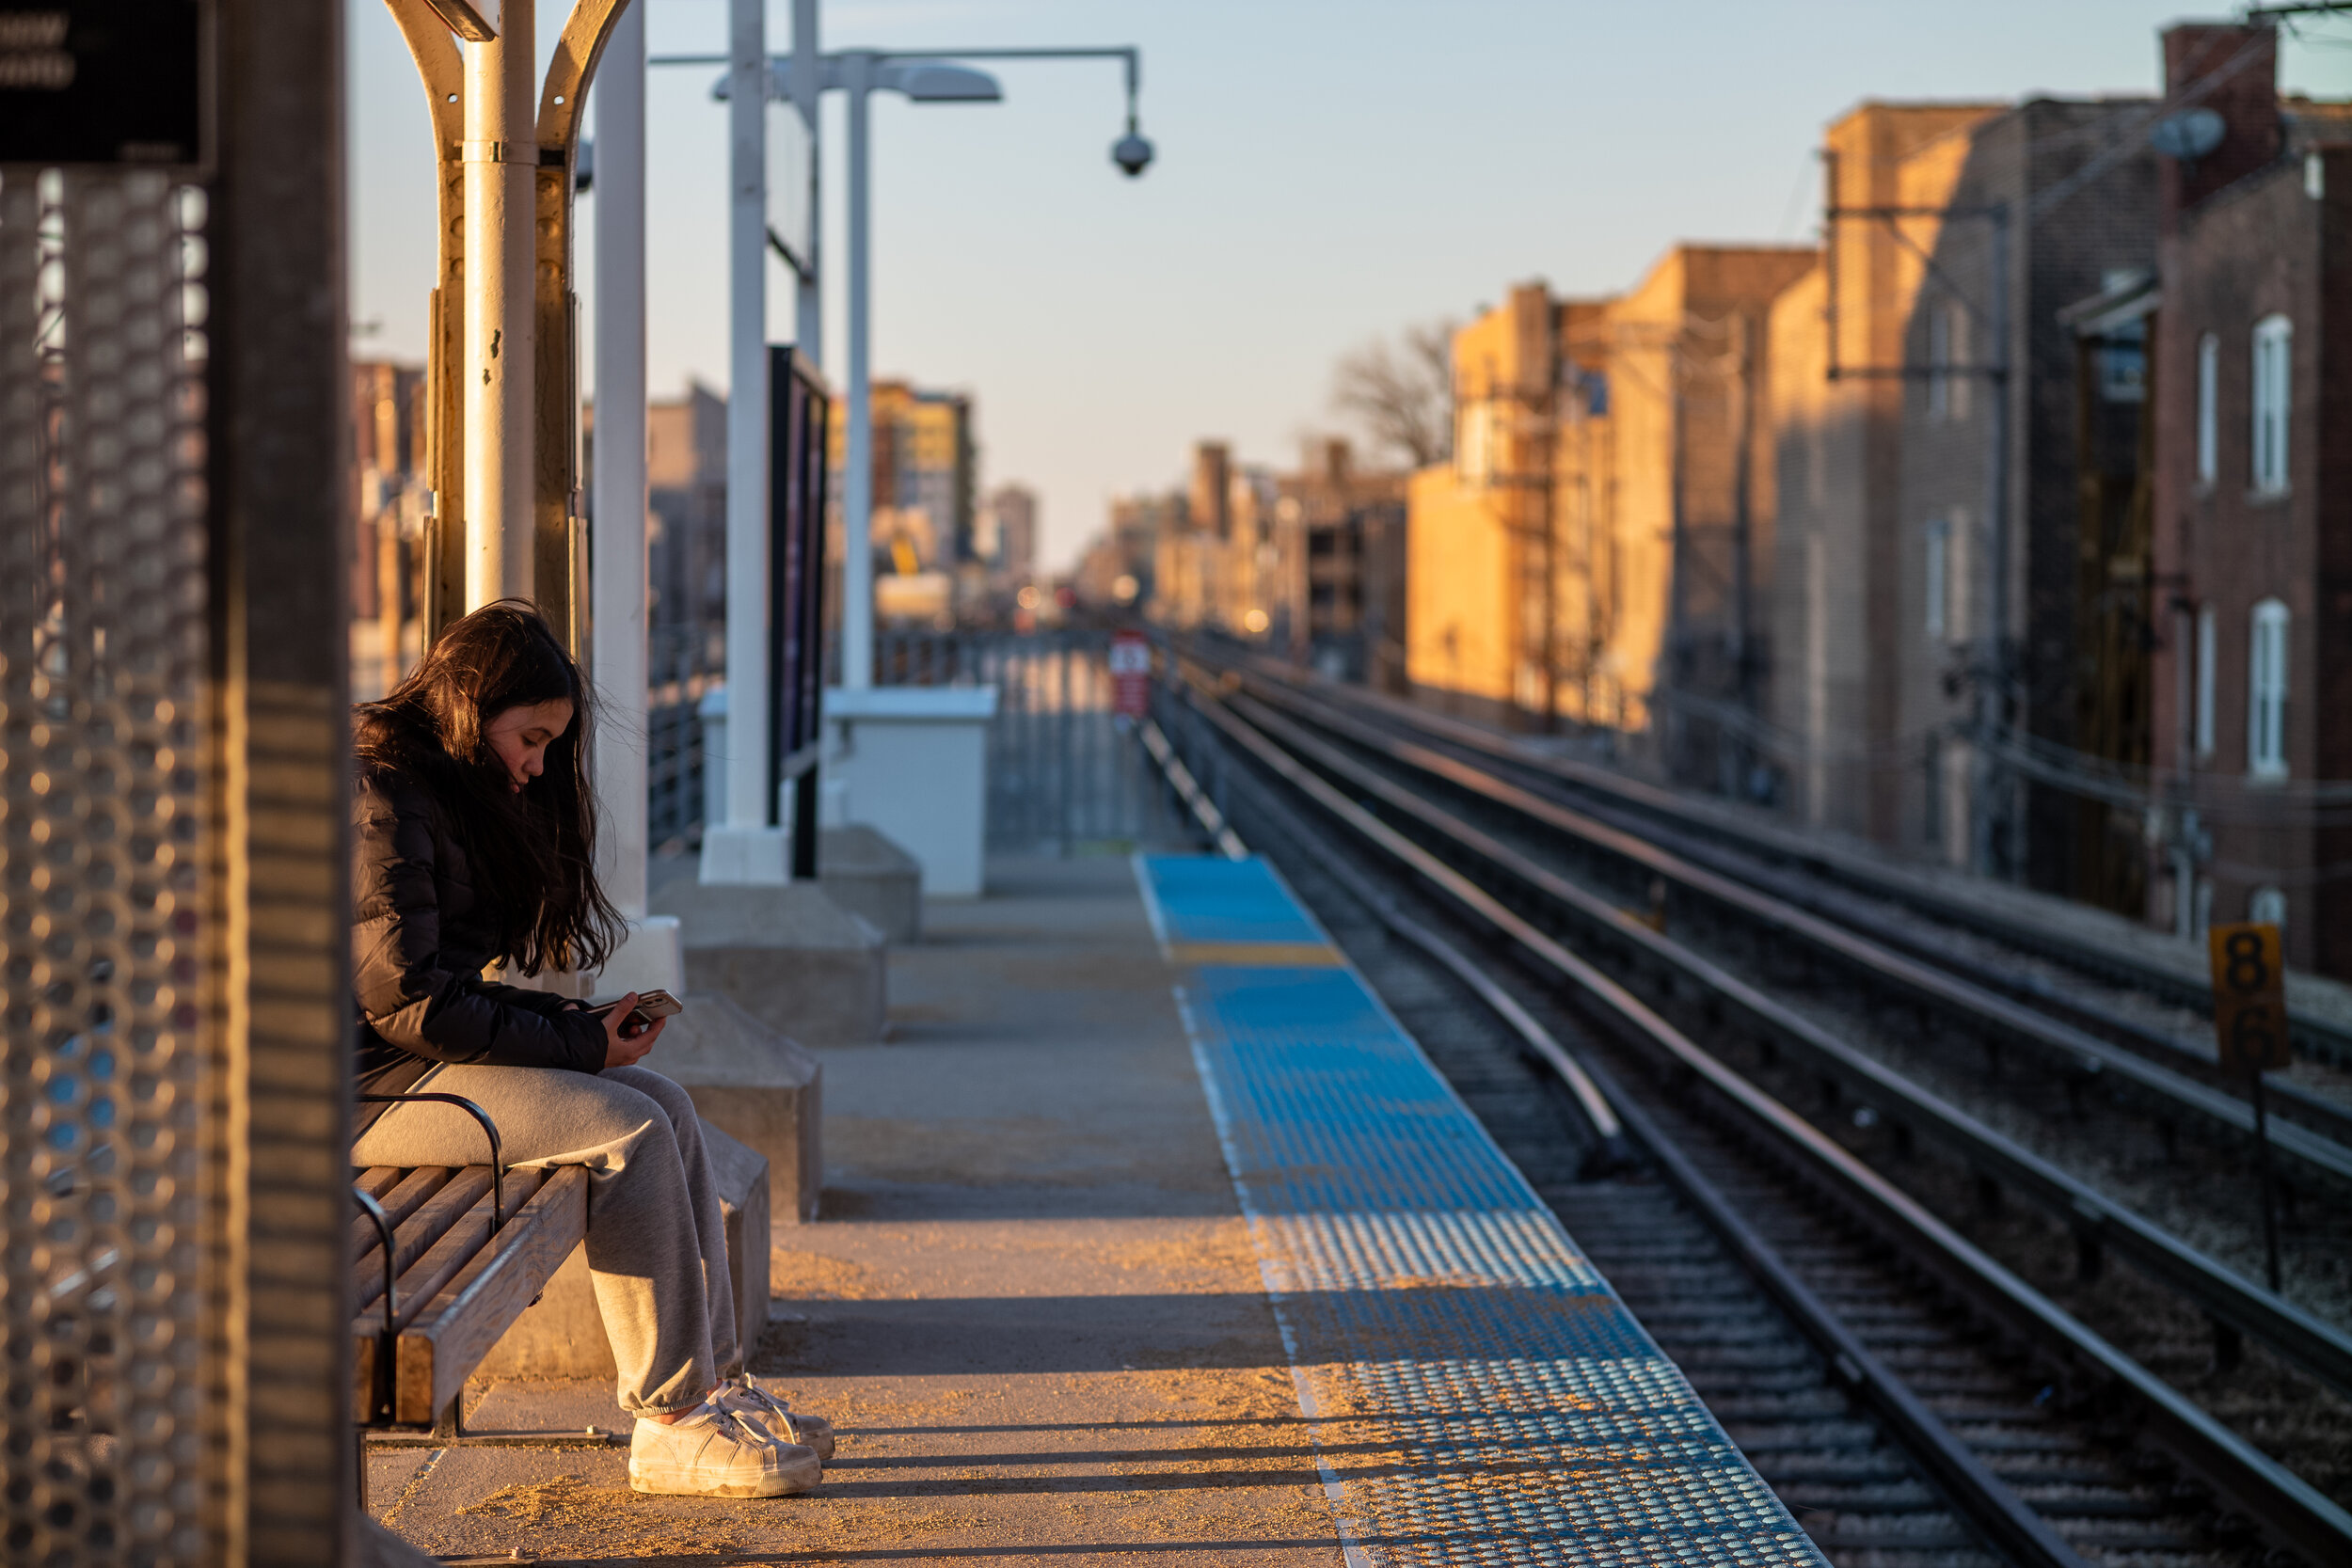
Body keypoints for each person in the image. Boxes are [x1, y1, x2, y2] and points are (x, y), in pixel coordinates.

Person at [348, 601, 834, 1497]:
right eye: (528, 738)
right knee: (628, 1129)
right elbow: (406, 1000)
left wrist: (587, 1030)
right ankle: (672, 1419)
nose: (536, 765)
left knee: (668, 1103)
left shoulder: (432, 788)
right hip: (355, 1097)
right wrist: (577, 1042)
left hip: (401, 1068)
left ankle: (714, 1390)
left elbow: (429, 990)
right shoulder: (380, 792)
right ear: (467, 703)